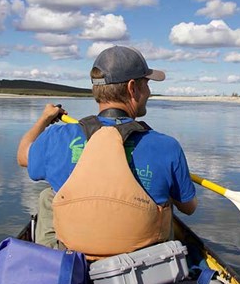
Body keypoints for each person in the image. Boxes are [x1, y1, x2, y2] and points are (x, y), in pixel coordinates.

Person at [17, 45, 197, 257]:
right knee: (165, 204)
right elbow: (189, 207)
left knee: (50, 195)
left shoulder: (56, 137)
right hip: (144, 266)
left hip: (72, 259)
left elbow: (23, 156)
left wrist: (45, 118)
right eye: (146, 84)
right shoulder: (166, 146)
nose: (149, 92)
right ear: (132, 88)